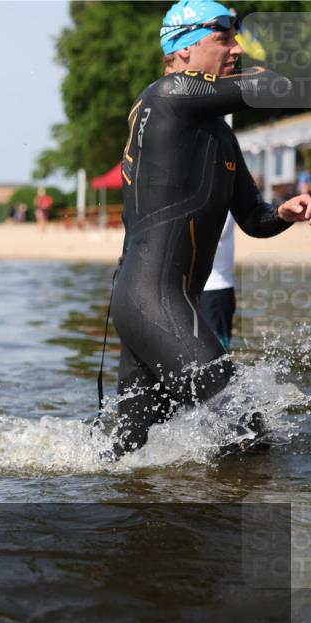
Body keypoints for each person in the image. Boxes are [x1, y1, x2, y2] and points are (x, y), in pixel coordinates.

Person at [107, 0, 311, 459]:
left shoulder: (218, 133)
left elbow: (253, 219)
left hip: (156, 303)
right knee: (247, 433)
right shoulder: (169, 94)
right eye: (224, 38)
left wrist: (282, 213)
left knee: (124, 457)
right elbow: (277, 84)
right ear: (182, 49)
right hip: (152, 300)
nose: (236, 49)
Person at [201, 214, 236, 351]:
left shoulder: (223, 199)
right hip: (196, 290)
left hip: (216, 290)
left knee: (218, 351)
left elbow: (212, 233)